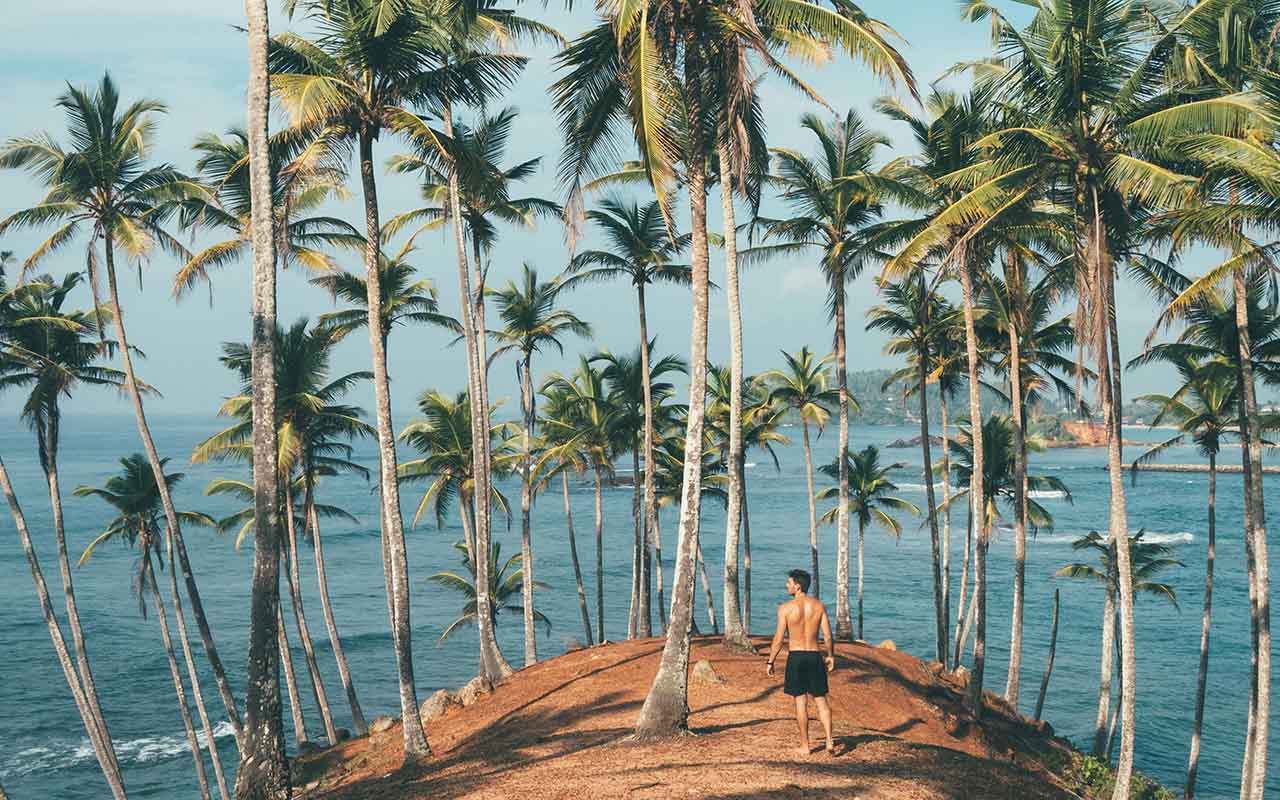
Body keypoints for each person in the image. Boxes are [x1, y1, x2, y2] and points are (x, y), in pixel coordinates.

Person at [765, 568, 835, 757]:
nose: (786, 586)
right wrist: (830, 655)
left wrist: (770, 661)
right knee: (821, 700)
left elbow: (779, 638)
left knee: (801, 703)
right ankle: (829, 740)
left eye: (789, 583)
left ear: (797, 586)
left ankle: (806, 746)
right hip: (814, 656)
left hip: (796, 658)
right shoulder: (819, 606)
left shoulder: (786, 609)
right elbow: (827, 635)